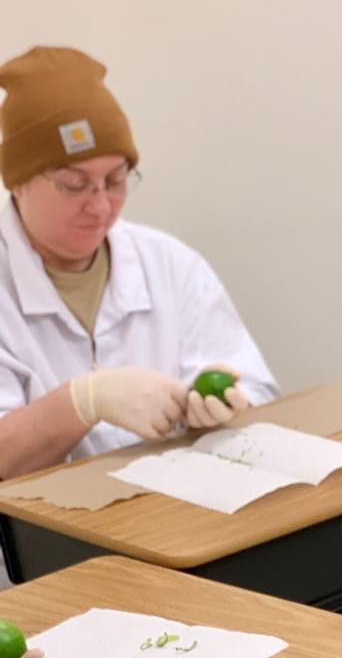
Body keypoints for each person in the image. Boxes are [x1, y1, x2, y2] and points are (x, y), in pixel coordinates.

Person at [0, 46, 279, 489]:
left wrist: (224, 410)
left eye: (115, 180)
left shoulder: (169, 265)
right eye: (74, 185)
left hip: (170, 523)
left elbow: (258, 390)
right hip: (37, 549)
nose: (100, 205)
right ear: (17, 181)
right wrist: (80, 403)